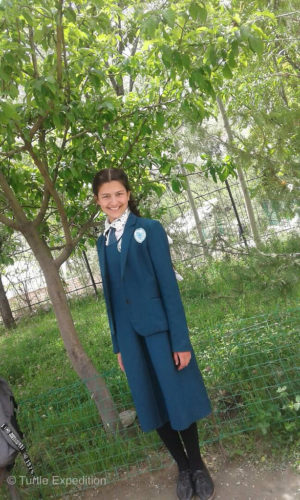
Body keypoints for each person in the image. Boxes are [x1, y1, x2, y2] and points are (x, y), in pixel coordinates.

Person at [93, 168, 215, 500]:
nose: (113, 201)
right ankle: (182, 467)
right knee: (149, 401)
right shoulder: (102, 241)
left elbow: (168, 289)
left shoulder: (149, 229)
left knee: (176, 397)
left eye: (119, 193)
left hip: (160, 331)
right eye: (106, 196)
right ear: (98, 200)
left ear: (128, 195)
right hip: (130, 340)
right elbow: (111, 301)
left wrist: (180, 340)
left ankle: (199, 465)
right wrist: (119, 345)